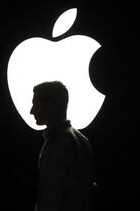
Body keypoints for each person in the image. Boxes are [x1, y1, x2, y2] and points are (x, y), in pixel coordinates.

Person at [30, 81, 93, 211]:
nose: (31, 111)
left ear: (50, 106)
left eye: (36, 104)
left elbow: (49, 200)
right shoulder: (83, 140)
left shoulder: (53, 146)